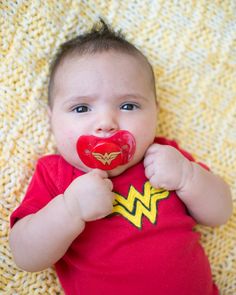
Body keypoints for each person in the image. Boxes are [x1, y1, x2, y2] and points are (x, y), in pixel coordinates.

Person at [9, 20, 232, 295]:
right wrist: (70, 208)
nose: (106, 122)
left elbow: (220, 213)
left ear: (156, 112)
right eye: (81, 108)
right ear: (51, 119)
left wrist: (187, 176)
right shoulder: (56, 174)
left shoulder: (165, 158)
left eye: (128, 105)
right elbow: (25, 256)